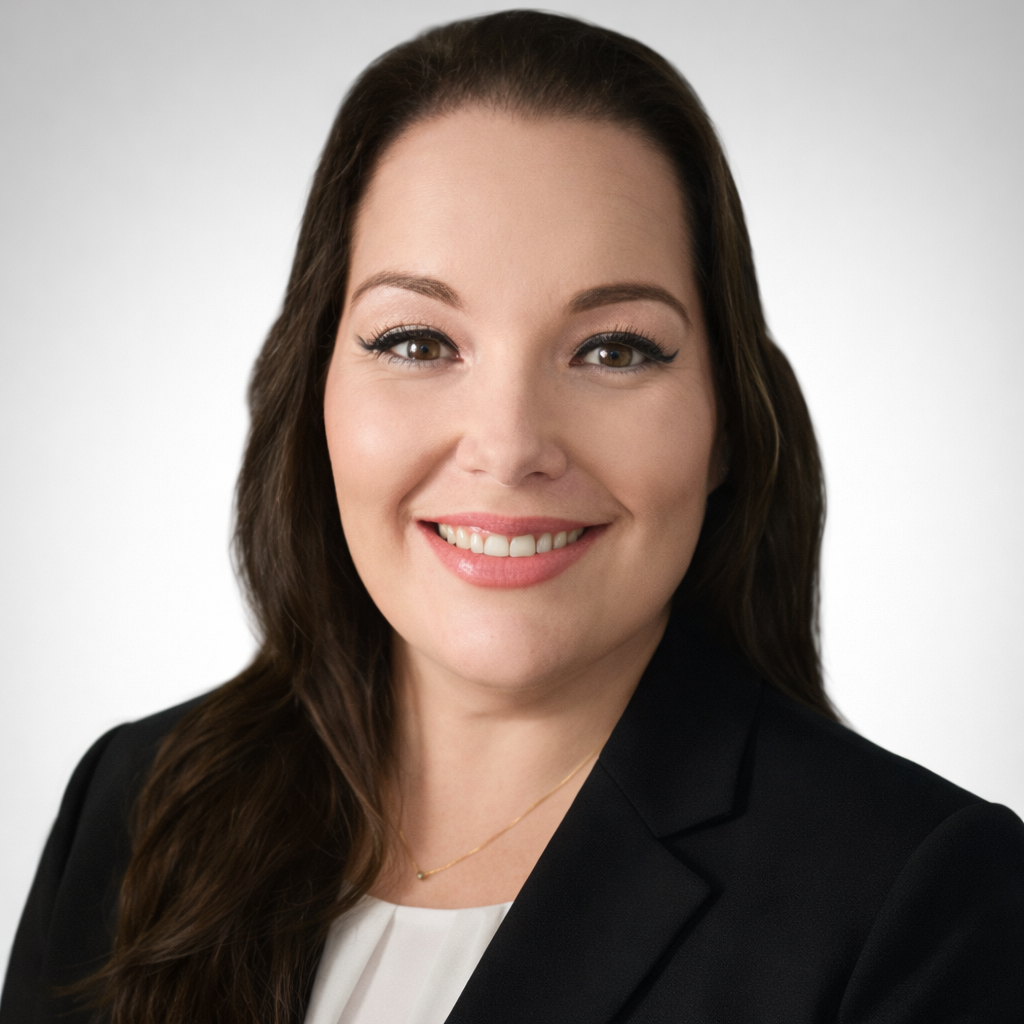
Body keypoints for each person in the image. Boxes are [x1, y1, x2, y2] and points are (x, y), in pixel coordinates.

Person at [2, 10, 1021, 1024]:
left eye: (614, 348)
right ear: (313, 394)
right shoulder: (135, 806)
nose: (508, 442)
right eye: (415, 341)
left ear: (724, 425)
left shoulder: (920, 897)